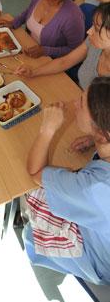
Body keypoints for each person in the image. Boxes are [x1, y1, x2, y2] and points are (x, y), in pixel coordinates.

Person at [24, 76, 110, 285]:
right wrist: (94, 138)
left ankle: (33, 245)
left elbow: (35, 172)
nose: (74, 103)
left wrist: (48, 129)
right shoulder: (103, 139)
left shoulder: (94, 188)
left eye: (81, 102)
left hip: (99, 261)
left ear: (102, 132)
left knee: (31, 193)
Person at [15, 1, 110, 92]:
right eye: (92, 25)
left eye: (97, 29)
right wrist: (33, 72)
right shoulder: (92, 41)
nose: (89, 31)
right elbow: (65, 61)